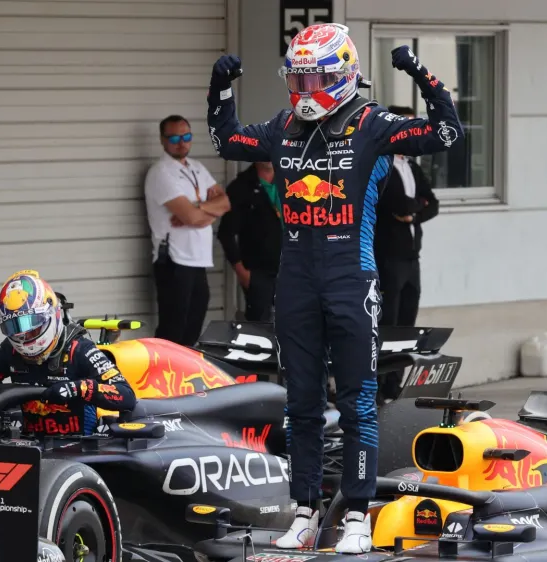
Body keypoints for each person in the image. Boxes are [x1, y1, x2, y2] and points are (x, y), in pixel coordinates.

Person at [206, 23, 462, 553]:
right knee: (298, 404)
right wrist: (220, 88)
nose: (303, 91)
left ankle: (359, 516)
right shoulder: (282, 126)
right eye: (297, 80)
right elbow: (227, 139)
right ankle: (304, 511)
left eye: (315, 78)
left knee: (357, 404)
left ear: (344, 74)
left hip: (352, 276)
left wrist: (419, 71)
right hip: (295, 279)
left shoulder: (373, 124)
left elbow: (448, 133)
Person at [0, 270, 137, 436]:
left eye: (32, 327)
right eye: (15, 327)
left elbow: (127, 395)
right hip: (33, 447)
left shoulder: (79, 349)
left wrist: (78, 388)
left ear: (51, 314)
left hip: (80, 448)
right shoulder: (10, 349)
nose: (24, 336)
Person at [144, 115, 230, 346]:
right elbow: (192, 217)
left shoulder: (197, 168)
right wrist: (203, 213)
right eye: (174, 138)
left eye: (186, 137)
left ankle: (184, 380)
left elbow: (225, 203)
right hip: (174, 259)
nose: (181, 142)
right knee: (172, 330)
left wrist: (198, 208)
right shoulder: (161, 172)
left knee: (192, 329)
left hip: (198, 259)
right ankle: (159, 379)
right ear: (162, 140)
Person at [374, 106, 439, 330]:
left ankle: (400, 365)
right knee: (388, 319)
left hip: (412, 256)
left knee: (408, 317)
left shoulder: (411, 165)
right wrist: (418, 205)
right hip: (388, 256)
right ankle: (385, 365)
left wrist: (414, 215)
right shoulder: (381, 165)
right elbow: (397, 204)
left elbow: (433, 203)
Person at [217, 162, 283, 321]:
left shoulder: (292, 180)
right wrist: (242, 272)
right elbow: (225, 233)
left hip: (293, 270)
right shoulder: (240, 187)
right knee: (260, 329)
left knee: (296, 325)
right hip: (259, 273)